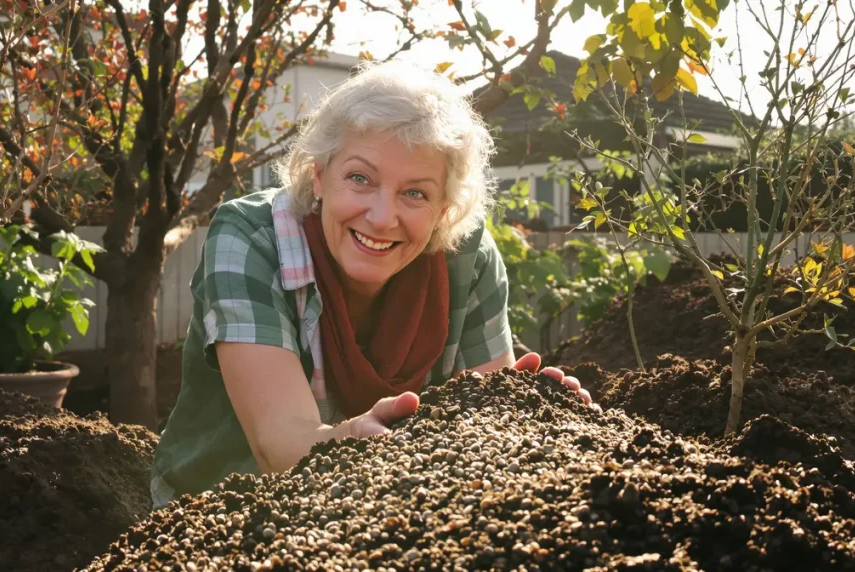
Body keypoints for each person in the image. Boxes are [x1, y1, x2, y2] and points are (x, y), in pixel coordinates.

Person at [150, 60, 593, 509]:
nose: (382, 218)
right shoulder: (251, 239)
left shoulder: (468, 259)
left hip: (391, 512)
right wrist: (351, 443)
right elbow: (280, 447)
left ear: (443, 210)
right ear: (318, 176)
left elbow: (485, 430)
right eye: (359, 178)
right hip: (215, 513)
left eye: (415, 193)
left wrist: (532, 417)